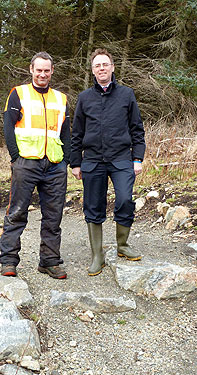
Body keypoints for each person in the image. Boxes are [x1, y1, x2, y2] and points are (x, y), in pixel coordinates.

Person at [70, 48, 146, 276]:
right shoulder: (84, 98)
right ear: (93, 71)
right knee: (93, 207)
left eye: (105, 64)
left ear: (112, 67)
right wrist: (75, 163)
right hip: (92, 160)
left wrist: (137, 158)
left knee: (124, 199)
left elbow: (137, 129)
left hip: (122, 159)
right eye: (97, 66)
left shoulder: (126, 95)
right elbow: (77, 133)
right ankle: (97, 255)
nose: (101, 68)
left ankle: (122, 245)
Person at [0, 51, 70, 279]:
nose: (42, 74)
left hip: (55, 164)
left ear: (52, 72)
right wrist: (15, 156)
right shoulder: (18, 93)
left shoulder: (61, 98)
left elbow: (66, 132)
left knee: (53, 215)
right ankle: (9, 261)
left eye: (46, 70)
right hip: (26, 163)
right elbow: (8, 127)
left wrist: (67, 159)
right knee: (17, 212)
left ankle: (49, 261)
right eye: (38, 70)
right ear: (31, 69)